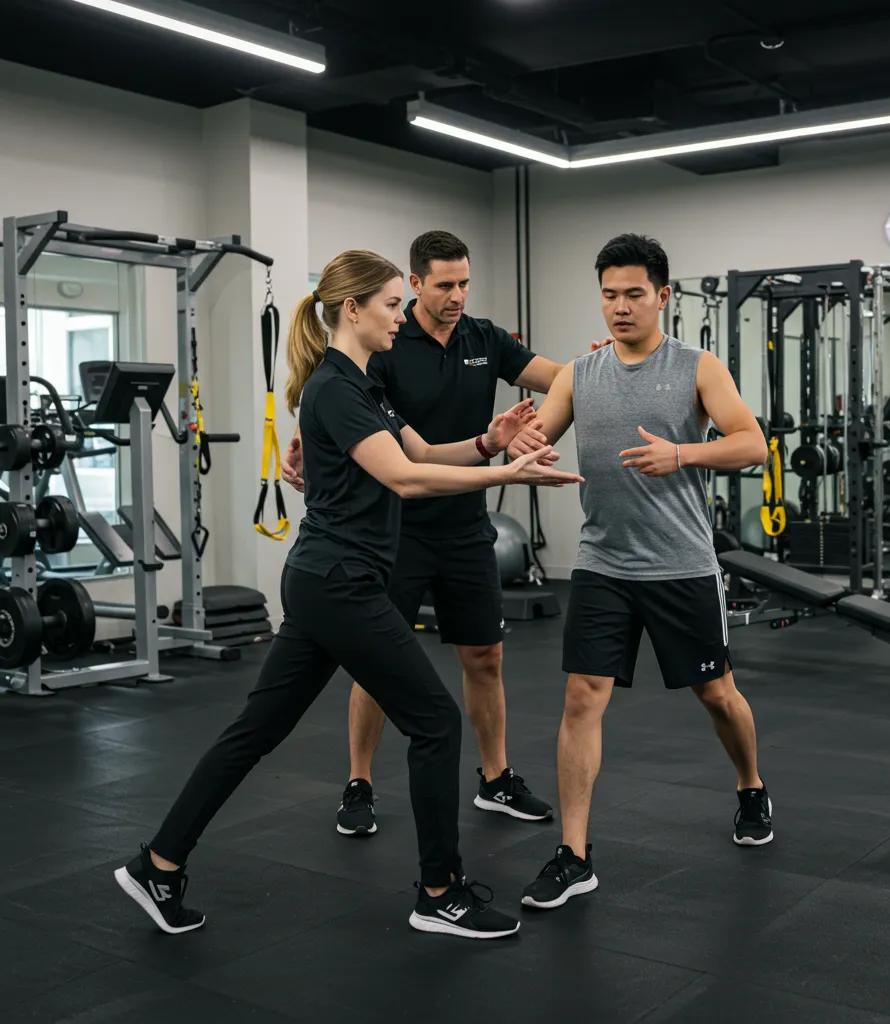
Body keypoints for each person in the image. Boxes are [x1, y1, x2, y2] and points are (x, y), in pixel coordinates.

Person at [113, 249, 582, 941]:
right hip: (341, 583)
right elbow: (406, 480)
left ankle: (158, 863)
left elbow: (421, 453)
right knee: (434, 721)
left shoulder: (364, 385)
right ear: (353, 309)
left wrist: (489, 442)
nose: (402, 316)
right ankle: (440, 892)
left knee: (257, 731)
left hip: (324, 582)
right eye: (393, 304)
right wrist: (513, 474)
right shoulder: (334, 389)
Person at [514, 234, 773, 911]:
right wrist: (524, 449)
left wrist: (684, 455)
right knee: (581, 698)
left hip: (680, 564)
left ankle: (750, 784)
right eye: (608, 295)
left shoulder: (697, 366)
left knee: (717, 695)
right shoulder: (578, 373)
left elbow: (754, 445)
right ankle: (574, 854)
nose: (620, 307)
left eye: (633, 294)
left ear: (661, 295)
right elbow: (537, 439)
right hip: (602, 565)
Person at [282, 230, 568, 836]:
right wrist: (308, 441)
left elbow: (560, 378)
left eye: (465, 282)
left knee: (485, 656)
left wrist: (615, 362)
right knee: (374, 667)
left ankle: (495, 779)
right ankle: (359, 780)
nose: (458, 294)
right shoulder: (383, 341)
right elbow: (353, 412)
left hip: (466, 525)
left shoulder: (486, 339)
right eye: (445, 284)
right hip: (397, 530)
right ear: (414, 285)